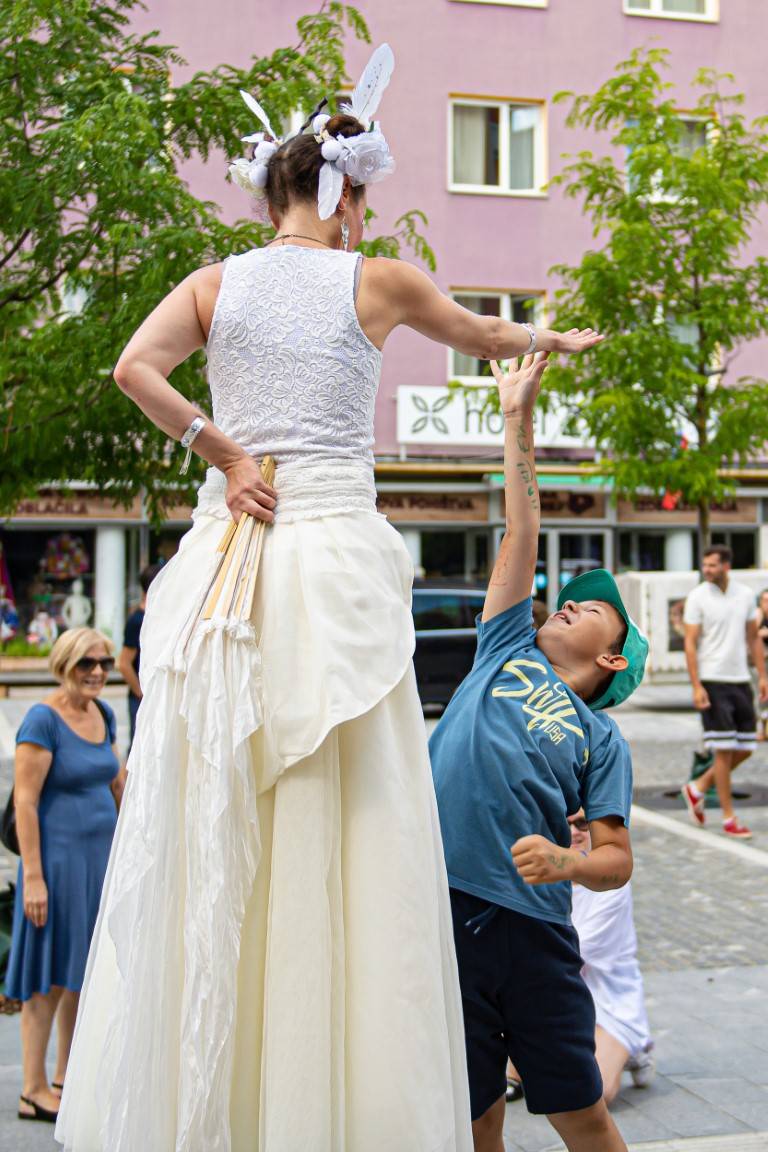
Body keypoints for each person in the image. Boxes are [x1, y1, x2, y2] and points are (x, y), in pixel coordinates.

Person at [55, 44, 603, 1152]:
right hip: (330, 563)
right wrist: (551, 339)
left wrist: (223, 451)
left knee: (216, 814)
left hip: (228, 565)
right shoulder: (377, 279)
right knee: (344, 825)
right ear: (344, 193)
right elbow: (485, 334)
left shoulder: (215, 282)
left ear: (275, 192)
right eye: (364, 201)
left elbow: (133, 369)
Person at [429, 350, 648, 1152]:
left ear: (612, 657)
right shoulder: (504, 647)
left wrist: (567, 862)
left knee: (579, 1113)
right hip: (445, 907)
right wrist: (516, 416)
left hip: (533, 931)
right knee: (474, 1115)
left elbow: (617, 861)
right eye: (569, 599)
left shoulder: (601, 736)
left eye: (593, 610)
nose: (571, 605)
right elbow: (523, 528)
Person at [6, 628, 125, 1125]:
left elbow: (115, 781)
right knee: (47, 977)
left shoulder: (104, 714)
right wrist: (33, 878)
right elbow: (25, 801)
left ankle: (64, 1077)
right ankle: (32, 1089)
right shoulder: (42, 720)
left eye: (104, 663)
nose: (97, 672)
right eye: (86, 663)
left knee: (81, 973)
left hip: (98, 863)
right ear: (64, 665)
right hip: (55, 866)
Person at [506, 810, 654, 1108]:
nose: (574, 831)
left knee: (593, 1093)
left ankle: (632, 1051)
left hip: (607, 1001)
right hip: (551, 996)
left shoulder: (610, 884)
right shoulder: (536, 877)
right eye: (566, 822)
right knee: (509, 1079)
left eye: (583, 824)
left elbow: (574, 951)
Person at [681, 546, 768, 839]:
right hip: (712, 680)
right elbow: (690, 643)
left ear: (726, 566)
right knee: (724, 750)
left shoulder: (745, 595)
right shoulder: (697, 597)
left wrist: (762, 676)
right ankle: (729, 818)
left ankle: (698, 787)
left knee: (747, 746)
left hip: (741, 679)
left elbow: (753, 638)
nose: (706, 570)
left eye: (712, 565)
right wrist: (696, 685)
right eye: (704, 565)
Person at [117, 563, 162, 750]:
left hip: (159, 694)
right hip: (142, 696)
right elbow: (124, 663)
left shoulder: (160, 616)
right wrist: (141, 693)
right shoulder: (137, 620)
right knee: (140, 747)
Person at [756, 589, 768, 741]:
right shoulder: (757, 616)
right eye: (764, 600)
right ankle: (762, 729)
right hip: (760, 664)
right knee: (761, 697)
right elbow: (752, 635)